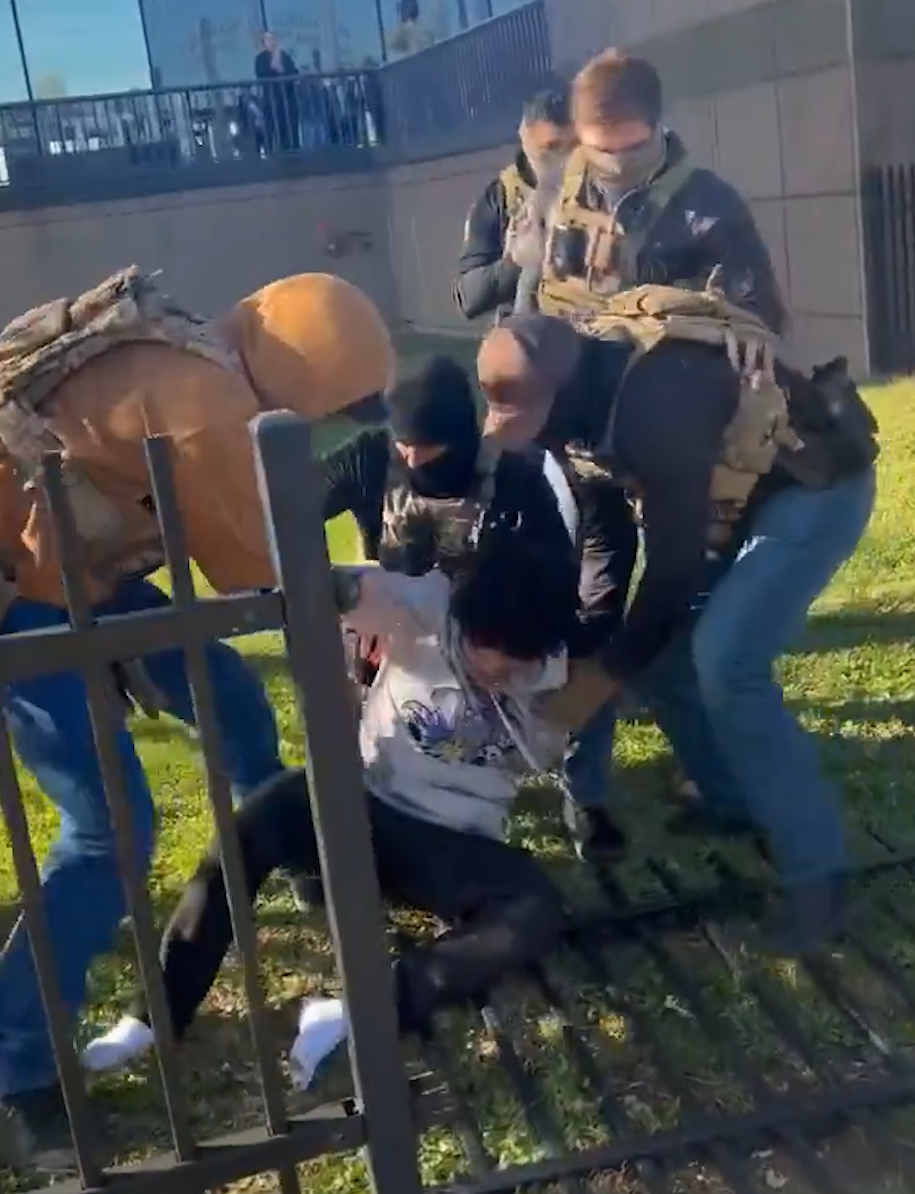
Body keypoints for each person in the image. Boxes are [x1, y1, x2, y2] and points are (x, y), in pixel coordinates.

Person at [0, 269, 395, 1175]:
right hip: (20, 601)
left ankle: (293, 851)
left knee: (232, 702)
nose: (331, 428)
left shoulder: (194, 347)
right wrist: (348, 689)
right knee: (109, 832)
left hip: (77, 572)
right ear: (305, 380)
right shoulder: (211, 405)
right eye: (334, 408)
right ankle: (13, 1064)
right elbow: (274, 582)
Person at [80, 520, 581, 1104]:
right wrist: (355, 606)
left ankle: (354, 1011)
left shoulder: (555, 664)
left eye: (512, 665)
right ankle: (156, 1012)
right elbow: (314, 583)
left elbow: (574, 704)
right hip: (364, 804)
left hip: (450, 842)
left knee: (535, 908)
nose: (493, 672)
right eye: (482, 653)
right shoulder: (429, 601)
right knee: (256, 822)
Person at [477, 312, 879, 956]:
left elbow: (672, 574)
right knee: (665, 662)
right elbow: (606, 542)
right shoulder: (578, 418)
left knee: (727, 662)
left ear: (565, 389)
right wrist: (593, 647)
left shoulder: (655, 406)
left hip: (815, 491)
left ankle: (818, 878)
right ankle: (733, 801)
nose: (535, 436)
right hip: (733, 504)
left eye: (536, 419)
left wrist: (600, 680)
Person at [322, 350, 635, 860]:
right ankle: (353, 799)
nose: (416, 460)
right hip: (400, 625)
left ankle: (586, 798)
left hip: (494, 630)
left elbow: (554, 583)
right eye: (406, 446)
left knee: (589, 670)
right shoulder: (367, 458)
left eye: (433, 448)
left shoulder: (514, 477)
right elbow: (285, 516)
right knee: (342, 685)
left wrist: (518, 650)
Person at [524, 50, 786, 334]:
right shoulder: (555, 191)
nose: (617, 165)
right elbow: (530, 289)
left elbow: (759, 321)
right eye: (602, 152)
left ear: (656, 126)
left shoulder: (712, 209)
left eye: (632, 150)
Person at [452, 86, 575, 325]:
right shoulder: (502, 195)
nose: (566, 160)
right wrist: (515, 262)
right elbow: (468, 297)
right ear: (526, 138)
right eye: (551, 148)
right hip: (529, 340)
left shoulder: (607, 182)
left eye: (575, 146)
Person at [254, 32, 300, 152]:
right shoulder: (260, 59)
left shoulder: (285, 57)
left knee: (291, 133)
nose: (272, 42)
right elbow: (262, 75)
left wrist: (280, 68)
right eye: (268, 40)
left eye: (273, 39)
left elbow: (294, 74)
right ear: (264, 44)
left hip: (288, 103)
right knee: (273, 133)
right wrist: (274, 66)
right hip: (271, 103)